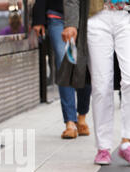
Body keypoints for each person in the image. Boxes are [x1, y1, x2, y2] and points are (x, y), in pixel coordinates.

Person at [60, 0, 130, 166]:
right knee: (101, 85)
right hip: (96, 17)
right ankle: (103, 147)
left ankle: (127, 142)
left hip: (126, 15)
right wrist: (71, 23)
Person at [32, 0, 92, 139]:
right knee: (64, 64)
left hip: (84, 18)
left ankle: (82, 115)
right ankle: (70, 122)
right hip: (57, 17)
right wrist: (38, 18)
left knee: (85, 65)